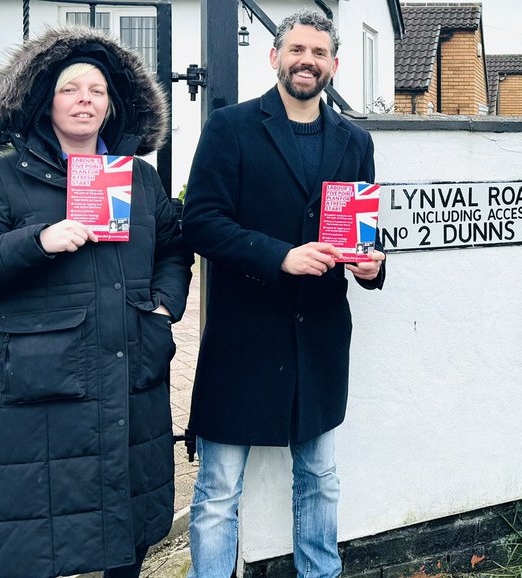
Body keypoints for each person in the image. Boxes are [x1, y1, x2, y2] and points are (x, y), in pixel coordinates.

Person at [0, 27, 191, 578]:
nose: (85, 100)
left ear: (112, 104)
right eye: (70, 88)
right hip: (44, 390)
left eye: (96, 90)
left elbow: (174, 250)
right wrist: (39, 240)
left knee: (128, 532)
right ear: (43, 101)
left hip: (131, 378)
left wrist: (165, 306)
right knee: (39, 540)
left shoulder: (140, 181)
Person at [181, 9, 384, 578]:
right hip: (243, 336)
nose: (306, 61)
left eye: (319, 54)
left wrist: (372, 265)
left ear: (334, 66)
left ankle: (321, 572)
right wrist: (279, 256)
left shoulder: (355, 140)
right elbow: (200, 222)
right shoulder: (231, 127)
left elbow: (363, 231)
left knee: (319, 476)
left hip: (318, 336)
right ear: (274, 57)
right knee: (219, 488)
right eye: (296, 50)